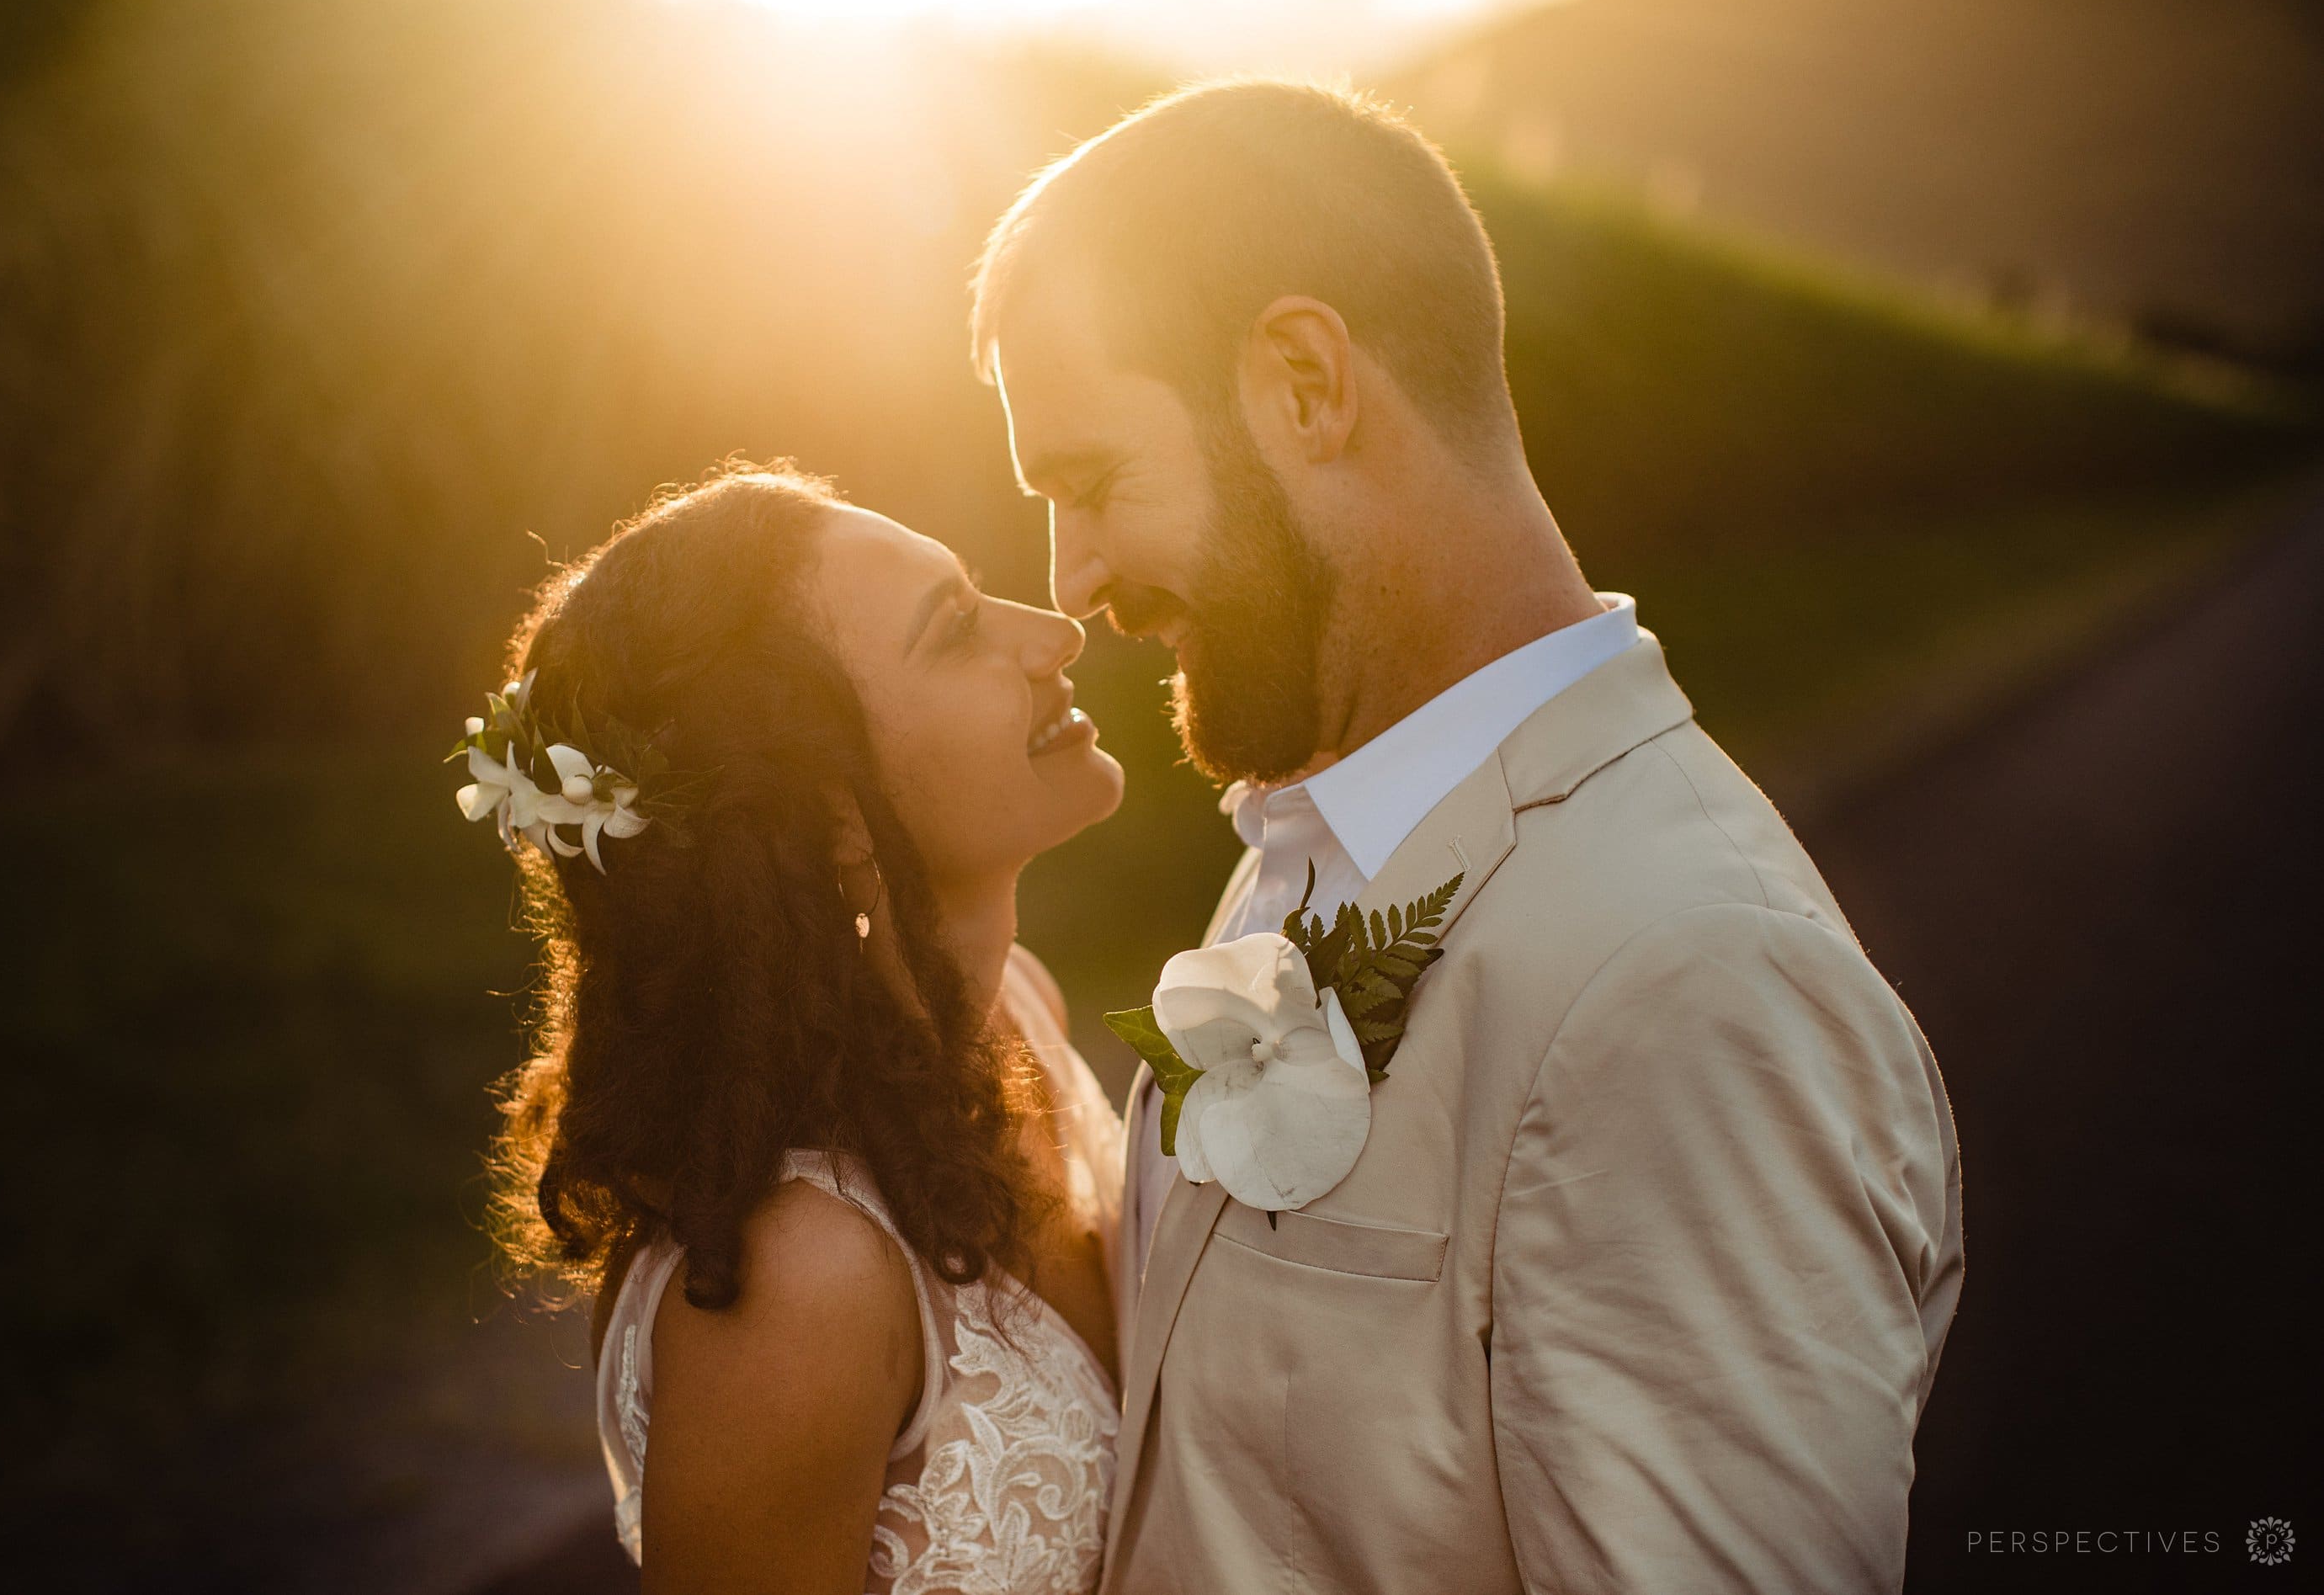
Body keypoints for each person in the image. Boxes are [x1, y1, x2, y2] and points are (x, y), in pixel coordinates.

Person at [971, 80, 1965, 1592]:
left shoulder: (1692, 978)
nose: (1076, 579)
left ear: (1304, 383)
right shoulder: (1302, 843)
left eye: (1092, 485)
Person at [464, 466, 1129, 1592]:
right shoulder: (793, 1290)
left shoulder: (1024, 1009)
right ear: (825, 818)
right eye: (956, 629)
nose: (1053, 632)